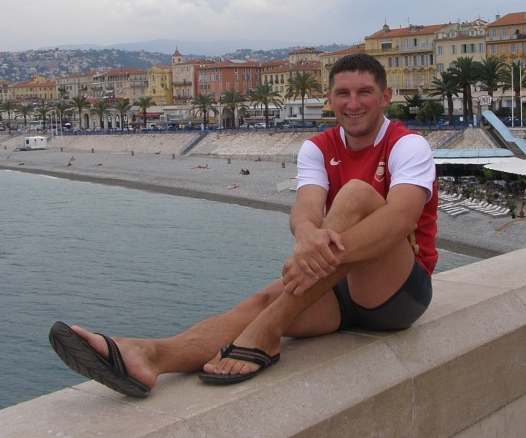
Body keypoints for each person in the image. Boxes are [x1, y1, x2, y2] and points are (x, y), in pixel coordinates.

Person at [49, 52, 438, 397]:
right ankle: (149, 356)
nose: (353, 103)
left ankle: (268, 332)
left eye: (364, 92)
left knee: (355, 195)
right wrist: (307, 238)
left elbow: (399, 220)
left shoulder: (407, 145)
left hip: (398, 293)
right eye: (343, 94)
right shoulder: (318, 147)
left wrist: (310, 259)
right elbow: (305, 210)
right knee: (260, 303)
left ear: (385, 97)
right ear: (330, 98)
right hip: (339, 286)